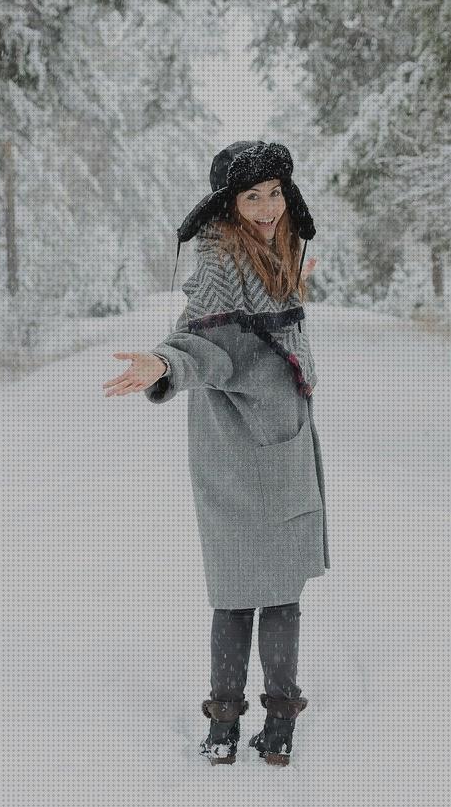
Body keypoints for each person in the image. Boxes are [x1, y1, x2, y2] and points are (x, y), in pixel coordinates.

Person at [102, 141, 330, 767]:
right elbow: (199, 345)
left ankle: (272, 724)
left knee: (278, 592)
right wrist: (162, 364)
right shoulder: (221, 264)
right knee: (238, 592)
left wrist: (295, 290)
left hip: (281, 444)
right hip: (233, 451)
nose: (266, 207)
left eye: (275, 193)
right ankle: (228, 722)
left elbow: (270, 329)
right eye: (252, 196)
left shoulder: (278, 255)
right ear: (229, 206)